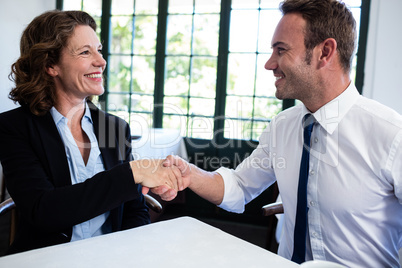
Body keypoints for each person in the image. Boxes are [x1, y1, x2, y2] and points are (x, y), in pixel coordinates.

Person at [154, 0, 402, 267]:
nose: (270, 64)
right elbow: (240, 186)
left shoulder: (391, 136)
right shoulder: (282, 126)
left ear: (325, 52)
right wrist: (189, 174)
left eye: (281, 50)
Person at [0, 10, 182, 255]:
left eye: (99, 50)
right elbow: (43, 211)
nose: (101, 61)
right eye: (85, 52)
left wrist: (123, 254)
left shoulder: (116, 128)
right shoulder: (14, 127)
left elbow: (135, 211)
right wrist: (133, 173)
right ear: (50, 65)